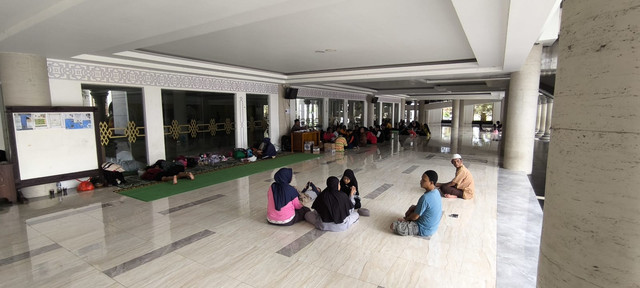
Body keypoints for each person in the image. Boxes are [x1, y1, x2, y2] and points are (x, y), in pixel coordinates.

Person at [390, 170, 442, 237]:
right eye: (421, 179)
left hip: (423, 229)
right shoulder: (436, 191)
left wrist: (406, 219)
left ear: (431, 183)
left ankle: (408, 223)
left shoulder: (425, 198)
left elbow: (415, 217)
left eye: (424, 180)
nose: (421, 181)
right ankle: (408, 221)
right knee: (413, 208)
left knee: (393, 225)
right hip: (433, 227)